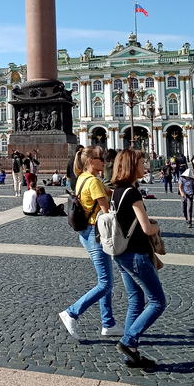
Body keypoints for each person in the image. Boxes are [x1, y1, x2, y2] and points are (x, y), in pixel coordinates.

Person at [110, 149, 167, 369]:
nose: (146, 166)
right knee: (158, 302)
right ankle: (128, 341)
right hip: (137, 254)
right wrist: (157, 226)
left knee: (135, 300)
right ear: (132, 166)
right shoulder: (133, 193)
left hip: (122, 254)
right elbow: (146, 228)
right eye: (142, 163)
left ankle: (131, 353)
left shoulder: (117, 191)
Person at [58, 146, 121, 340]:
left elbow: (108, 192)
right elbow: (106, 212)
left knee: (105, 281)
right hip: (96, 234)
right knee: (105, 283)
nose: (104, 161)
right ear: (90, 161)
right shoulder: (93, 181)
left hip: (85, 232)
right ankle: (71, 312)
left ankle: (108, 323)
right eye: (100, 158)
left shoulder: (83, 178)